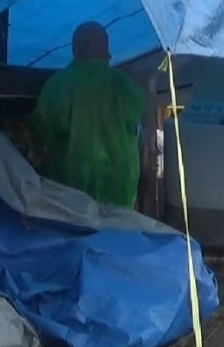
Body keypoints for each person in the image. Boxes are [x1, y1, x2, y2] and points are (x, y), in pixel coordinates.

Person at [30, 22, 145, 208]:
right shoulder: (126, 85)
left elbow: (39, 132)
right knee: (118, 235)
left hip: (73, 189)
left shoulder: (60, 85)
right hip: (121, 186)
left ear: (77, 48)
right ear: (107, 47)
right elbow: (137, 129)